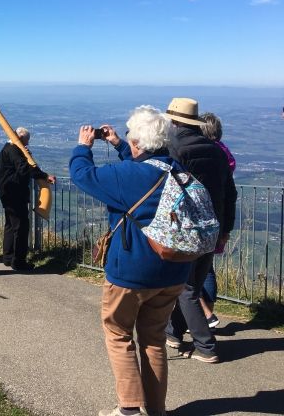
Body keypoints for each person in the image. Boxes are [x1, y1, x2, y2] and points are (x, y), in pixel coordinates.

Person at [70, 106, 191, 416]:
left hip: (132, 273)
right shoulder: (178, 171)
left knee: (118, 333)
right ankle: (156, 410)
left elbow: (83, 176)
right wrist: (119, 145)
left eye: (129, 137)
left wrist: (83, 147)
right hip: (174, 271)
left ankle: (128, 409)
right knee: (153, 340)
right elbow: (143, 170)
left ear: (138, 140)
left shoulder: (130, 176)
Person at [163, 98, 237, 364]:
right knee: (192, 283)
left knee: (186, 288)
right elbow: (231, 193)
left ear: (174, 121)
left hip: (186, 229)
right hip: (213, 227)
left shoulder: (175, 148)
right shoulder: (217, 151)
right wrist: (226, 227)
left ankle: (206, 346)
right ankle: (173, 333)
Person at [0, 127, 56, 271]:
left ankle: (8, 257)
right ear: (21, 139)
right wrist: (44, 175)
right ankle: (19, 261)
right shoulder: (14, 150)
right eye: (26, 142)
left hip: (6, 192)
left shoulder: (7, 149)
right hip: (15, 193)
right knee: (21, 227)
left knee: (10, 225)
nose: (27, 145)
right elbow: (24, 169)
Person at [198, 112, 236, 328]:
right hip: (219, 219)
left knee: (189, 272)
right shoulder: (225, 155)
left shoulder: (208, 155)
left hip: (202, 219)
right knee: (206, 268)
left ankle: (204, 314)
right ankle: (206, 313)